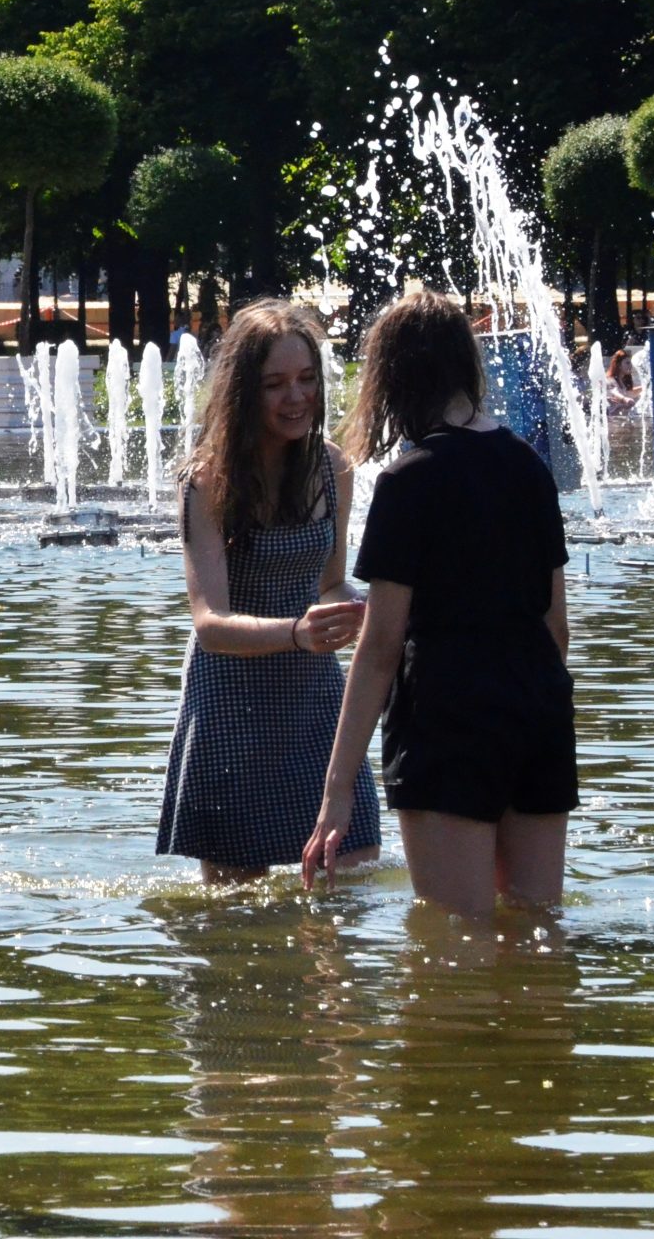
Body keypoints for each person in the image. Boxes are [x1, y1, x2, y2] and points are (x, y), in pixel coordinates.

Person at [303, 291, 574, 918]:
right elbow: (555, 626)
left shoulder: (409, 481)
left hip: (447, 721)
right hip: (538, 715)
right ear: (465, 368)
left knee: (455, 938)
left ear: (392, 379)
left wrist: (338, 791)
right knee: (538, 927)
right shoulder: (530, 466)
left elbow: (379, 647)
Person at [157, 299, 380, 884]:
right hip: (230, 700)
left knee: (350, 874)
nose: (296, 397)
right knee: (232, 920)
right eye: (276, 384)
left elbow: (332, 580)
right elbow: (209, 620)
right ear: (242, 392)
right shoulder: (205, 482)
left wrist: (355, 608)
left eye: (307, 380)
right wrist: (297, 632)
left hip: (315, 701)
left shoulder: (334, 469)